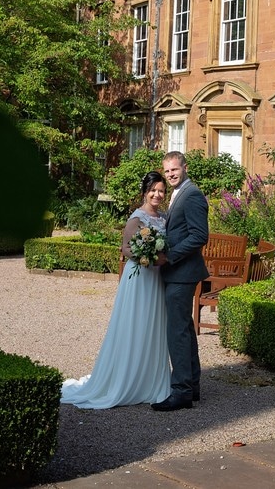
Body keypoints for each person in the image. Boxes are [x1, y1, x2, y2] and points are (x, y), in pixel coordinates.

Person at [60, 171, 172, 408]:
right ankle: (127, 380)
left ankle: (150, 381)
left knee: (152, 327)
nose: (157, 194)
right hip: (140, 279)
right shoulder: (137, 218)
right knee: (135, 325)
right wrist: (149, 257)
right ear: (145, 192)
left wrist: (160, 257)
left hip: (156, 281)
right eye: (153, 190)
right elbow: (127, 249)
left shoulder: (163, 218)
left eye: (161, 190)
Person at [151, 151, 209, 411]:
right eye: (167, 171)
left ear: (185, 167)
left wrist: (170, 256)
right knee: (184, 329)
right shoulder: (178, 194)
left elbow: (199, 236)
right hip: (178, 274)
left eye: (175, 169)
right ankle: (192, 386)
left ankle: (181, 392)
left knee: (177, 332)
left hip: (182, 274)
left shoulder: (192, 195)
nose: (171, 174)